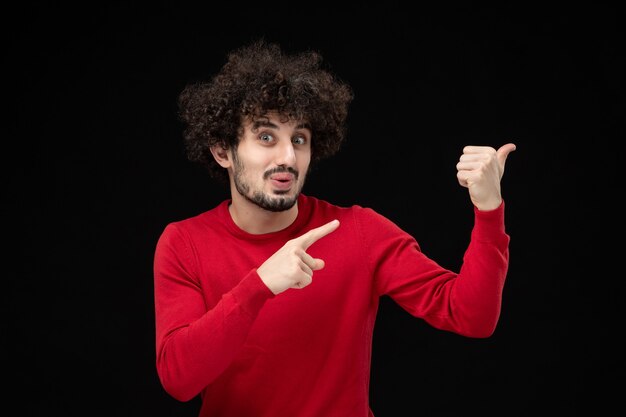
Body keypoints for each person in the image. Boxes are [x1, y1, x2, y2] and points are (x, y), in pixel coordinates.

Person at [153, 39, 516, 417]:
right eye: (266, 137)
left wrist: (488, 207)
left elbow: (473, 316)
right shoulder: (184, 243)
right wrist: (259, 285)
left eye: (299, 139)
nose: (288, 157)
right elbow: (178, 379)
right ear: (222, 151)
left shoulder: (359, 231)